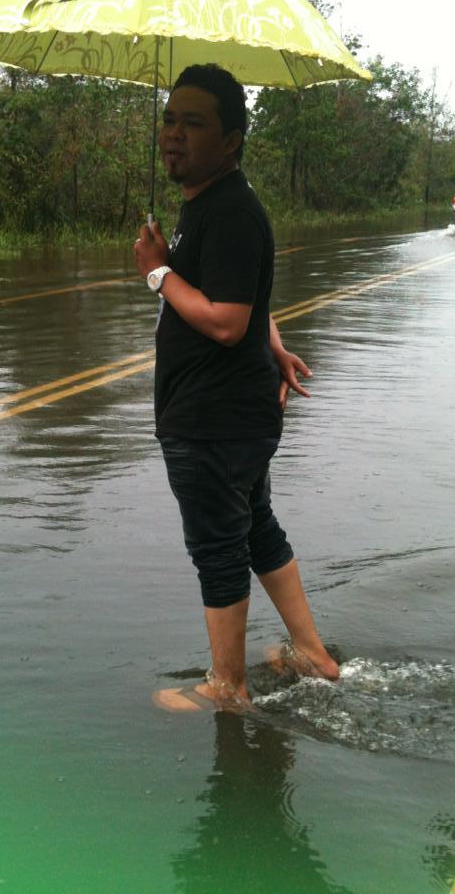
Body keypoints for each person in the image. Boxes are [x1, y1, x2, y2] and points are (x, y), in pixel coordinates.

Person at [133, 64, 339, 713]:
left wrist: (158, 272)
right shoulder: (208, 205)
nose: (175, 135)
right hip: (231, 411)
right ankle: (312, 655)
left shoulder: (229, 211)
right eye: (170, 118)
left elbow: (224, 320)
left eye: (194, 123)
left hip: (214, 418)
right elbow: (244, 300)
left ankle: (228, 686)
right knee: (253, 528)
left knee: (218, 544)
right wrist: (268, 337)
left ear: (232, 140)